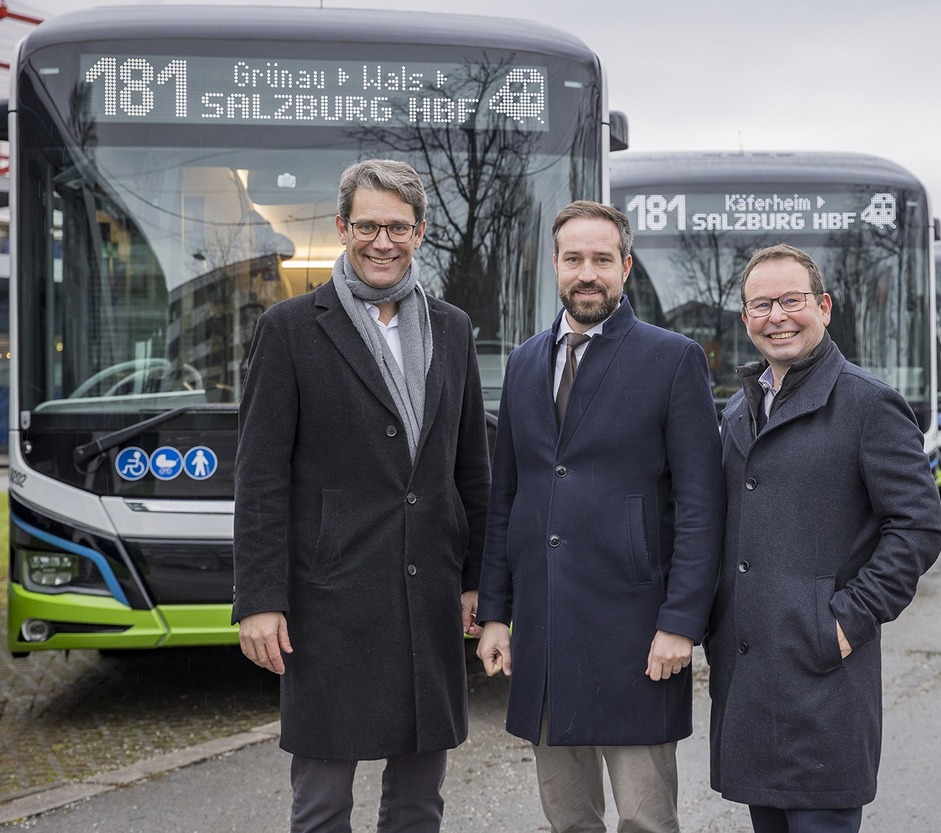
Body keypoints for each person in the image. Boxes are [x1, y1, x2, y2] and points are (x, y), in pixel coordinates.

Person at [232, 158, 491, 833]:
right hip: (328, 601)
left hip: (427, 594)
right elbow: (259, 478)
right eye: (368, 226)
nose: (383, 242)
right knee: (322, 806)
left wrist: (476, 580)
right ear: (342, 228)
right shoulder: (290, 329)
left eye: (398, 227)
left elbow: (470, 467)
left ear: (420, 232)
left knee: (418, 804)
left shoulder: (453, 329)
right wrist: (259, 599)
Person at [475, 200, 725, 833]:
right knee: (569, 820)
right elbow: (507, 499)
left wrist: (681, 623)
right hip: (544, 631)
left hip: (637, 635)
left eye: (602, 260)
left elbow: (701, 507)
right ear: (555, 265)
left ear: (625, 267)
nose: (587, 273)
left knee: (646, 821)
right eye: (574, 259)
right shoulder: (524, 362)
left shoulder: (673, 359)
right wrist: (496, 613)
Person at [708, 244, 941, 833]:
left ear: (824, 307)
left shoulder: (870, 403)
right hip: (751, 681)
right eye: (761, 305)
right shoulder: (739, 410)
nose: (777, 317)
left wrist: (844, 622)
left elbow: (917, 526)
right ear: (745, 318)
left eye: (791, 300)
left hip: (824, 682)